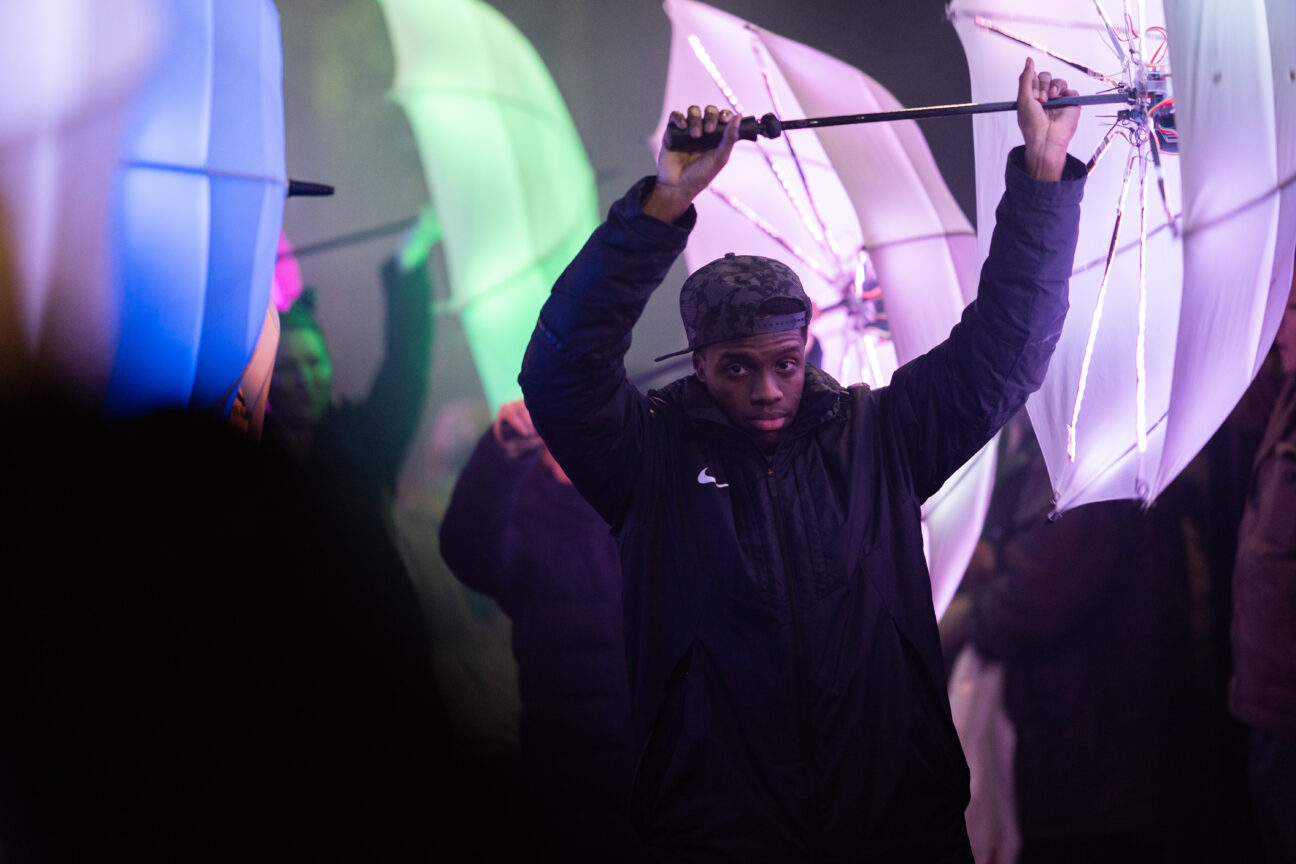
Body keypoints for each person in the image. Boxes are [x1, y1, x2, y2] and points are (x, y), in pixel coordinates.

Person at [517, 59, 1084, 862]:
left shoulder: (877, 436)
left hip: (897, 824)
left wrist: (1043, 171)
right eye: (737, 367)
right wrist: (665, 202)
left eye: (784, 361)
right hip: (719, 832)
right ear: (699, 363)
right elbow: (559, 373)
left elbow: (1008, 350)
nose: (766, 388)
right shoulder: (649, 457)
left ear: (808, 346)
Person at [940, 410, 1208, 864]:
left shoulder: (1086, 448)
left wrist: (965, 620)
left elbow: (1038, 597)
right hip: (1091, 745)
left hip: (1095, 752)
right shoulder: (1068, 439)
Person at [439, 398, 639, 861]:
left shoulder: (645, 489)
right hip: (575, 781)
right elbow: (470, 551)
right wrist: (500, 454)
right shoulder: (526, 507)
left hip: (673, 771)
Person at [1230, 260, 1296, 864]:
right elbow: (1239, 399)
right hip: (1265, 705)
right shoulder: (1287, 396)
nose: (1281, 330)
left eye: (1292, 314)